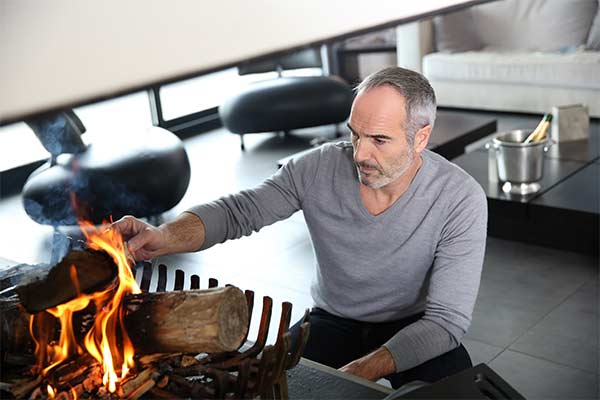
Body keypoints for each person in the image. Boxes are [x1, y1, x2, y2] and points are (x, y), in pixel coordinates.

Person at [113, 66, 487, 388]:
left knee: (458, 392)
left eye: (379, 140)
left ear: (420, 137)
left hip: (415, 323)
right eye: (355, 133)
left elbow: (445, 321)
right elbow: (239, 211)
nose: (359, 154)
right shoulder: (316, 167)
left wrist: (356, 373)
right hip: (334, 320)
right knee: (269, 387)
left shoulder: (459, 197)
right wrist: (162, 236)